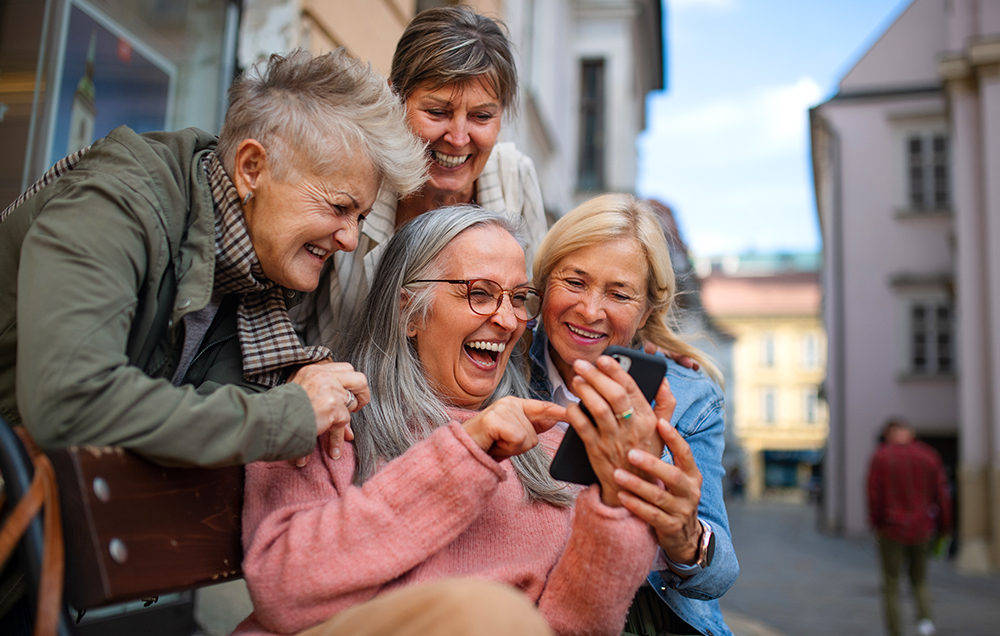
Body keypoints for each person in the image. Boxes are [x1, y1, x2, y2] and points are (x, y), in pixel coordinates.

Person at [234, 206, 673, 636]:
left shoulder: (547, 446)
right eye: (480, 293)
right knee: (482, 611)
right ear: (409, 310)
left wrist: (621, 500)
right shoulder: (328, 415)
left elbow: (573, 626)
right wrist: (467, 449)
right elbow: (282, 590)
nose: (506, 320)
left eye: (519, 299)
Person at [0, 48, 426, 467]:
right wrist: (287, 412)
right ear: (252, 168)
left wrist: (298, 394)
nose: (351, 239)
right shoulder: (117, 202)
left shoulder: (253, 273)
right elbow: (70, 404)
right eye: (339, 207)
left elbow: (184, 410)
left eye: (362, 216)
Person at [528, 193, 738, 636]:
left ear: (647, 310)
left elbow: (719, 575)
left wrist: (683, 536)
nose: (590, 310)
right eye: (575, 282)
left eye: (619, 293)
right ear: (544, 282)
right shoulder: (499, 358)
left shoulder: (689, 396)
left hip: (645, 612)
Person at [294, 5, 548, 350]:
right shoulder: (360, 171)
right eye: (437, 112)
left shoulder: (515, 177)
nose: (458, 138)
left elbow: (533, 321)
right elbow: (292, 310)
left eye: (481, 116)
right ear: (394, 97)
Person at [867, 418, 952, 636]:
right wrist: (944, 527)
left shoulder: (881, 456)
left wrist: (876, 523)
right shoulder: (929, 456)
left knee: (891, 585)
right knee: (920, 580)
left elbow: (873, 494)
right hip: (922, 529)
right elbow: (942, 495)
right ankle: (926, 625)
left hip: (891, 529)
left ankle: (895, 631)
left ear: (890, 433)